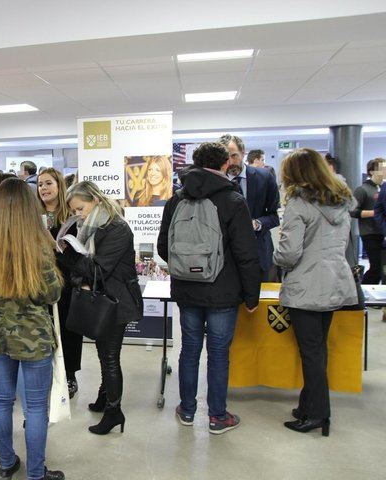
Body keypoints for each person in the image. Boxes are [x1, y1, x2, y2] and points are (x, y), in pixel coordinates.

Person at [157, 142, 261, 435]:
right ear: (226, 164)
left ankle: (187, 410)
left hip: (187, 291)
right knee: (218, 353)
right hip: (223, 291)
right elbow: (246, 253)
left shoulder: (176, 199)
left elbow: (164, 247)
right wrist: (251, 294)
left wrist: (188, 267)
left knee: (189, 350)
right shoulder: (233, 200)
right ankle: (217, 416)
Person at [0, 177, 65, 480]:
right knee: (35, 408)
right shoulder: (36, 248)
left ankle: (6, 463)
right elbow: (51, 295)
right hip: (33, 340)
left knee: (0, 402)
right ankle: (36, 473)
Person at [273, 148, 358, 437]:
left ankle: (319, 414)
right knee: (318, 349)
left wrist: (277, 255)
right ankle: (307, 405)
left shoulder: (298, 204)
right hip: (335, 280)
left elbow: (289, 253)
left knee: (311, 353)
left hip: (307, 285)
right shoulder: (341, 200)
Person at [60, 181, 143, 435]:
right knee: (103, 353)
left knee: (109, 358)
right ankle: (104, 398)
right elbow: (89, 268)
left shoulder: (116, 228)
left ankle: (114, 411)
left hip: (116, 301)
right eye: (74, 211)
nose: (78, 215)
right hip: (104, 298)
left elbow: (97, 269)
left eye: (80, 208)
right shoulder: (93, 226)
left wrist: (69, 257)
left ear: (95, 200)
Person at [37, 167, 82, 398]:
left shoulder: (72, 218)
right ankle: (46, 372)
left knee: (68, 328)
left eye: (48, 183)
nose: (43, 188)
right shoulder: (33, 215)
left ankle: (70, 375)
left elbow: (77, 254)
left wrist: (52, 242)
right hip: (40, 282)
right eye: (40, 184)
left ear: (58, 186)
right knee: (44, 329)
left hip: (66, 281)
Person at [220, 134, 280, 281]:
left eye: (234, 156)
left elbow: (274, 217)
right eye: (225, 158)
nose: (230, 162)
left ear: (243, 153)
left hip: (258, 253)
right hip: (225, 258)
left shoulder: (264, 178)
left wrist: (257, 223)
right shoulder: (217, 181)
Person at [352, 158, 385, 285]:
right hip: (369, 233)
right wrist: (375, 212)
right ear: (372, 171)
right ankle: (364, 292)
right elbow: (352, 211)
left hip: (382, 232)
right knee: (376, 268)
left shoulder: (383, 188)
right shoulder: (362, 189)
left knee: (382, 268)